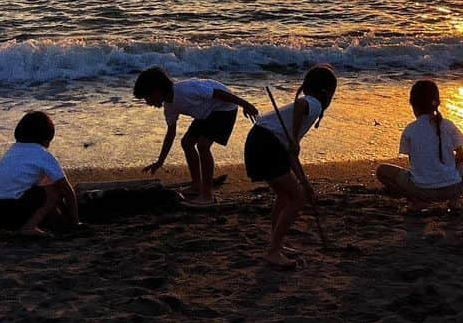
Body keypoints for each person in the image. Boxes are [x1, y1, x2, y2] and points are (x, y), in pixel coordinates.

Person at [244, 64, 337, 268]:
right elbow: (300, 106)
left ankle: (276, 243)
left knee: (286, 195)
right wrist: (295, 136)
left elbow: (291, 155)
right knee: (296, 198)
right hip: (266, 144)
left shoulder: (305, 110)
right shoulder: (314, 104)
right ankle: (273, 251)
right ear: (326, 93)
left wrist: (305, 182)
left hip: (259, 142)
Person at [133, 67, 259, 205]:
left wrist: (245, 104)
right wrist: (160, 161)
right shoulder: (169, 107)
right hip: (205, 113)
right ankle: (196, 184)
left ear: (157, 90)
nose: (147, 102)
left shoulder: (185, 90)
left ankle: (207, 195)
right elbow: (171, 134)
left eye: (147, 97)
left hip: (224, 108)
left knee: (203, 145)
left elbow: (219, 93)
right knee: (186, 143)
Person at [376, 79, 463, 212]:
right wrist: (447, 166)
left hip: (422, 190)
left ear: (414, 106)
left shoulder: (410, 129)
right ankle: (454, 200)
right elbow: (462, 156)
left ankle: (417, 201)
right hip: (452, 188)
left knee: (382, 171)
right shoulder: (448, 124)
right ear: (437, 103)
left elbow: (414, 163)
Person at [0, 110, 79, 236]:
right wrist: (74, 222)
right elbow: (67, 191)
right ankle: (29, 227)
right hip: (7, 207)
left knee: (43, 187)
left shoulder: (13, 150)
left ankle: (2, 223)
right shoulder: (43, 155)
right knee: (53, 192)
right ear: (47, 138)